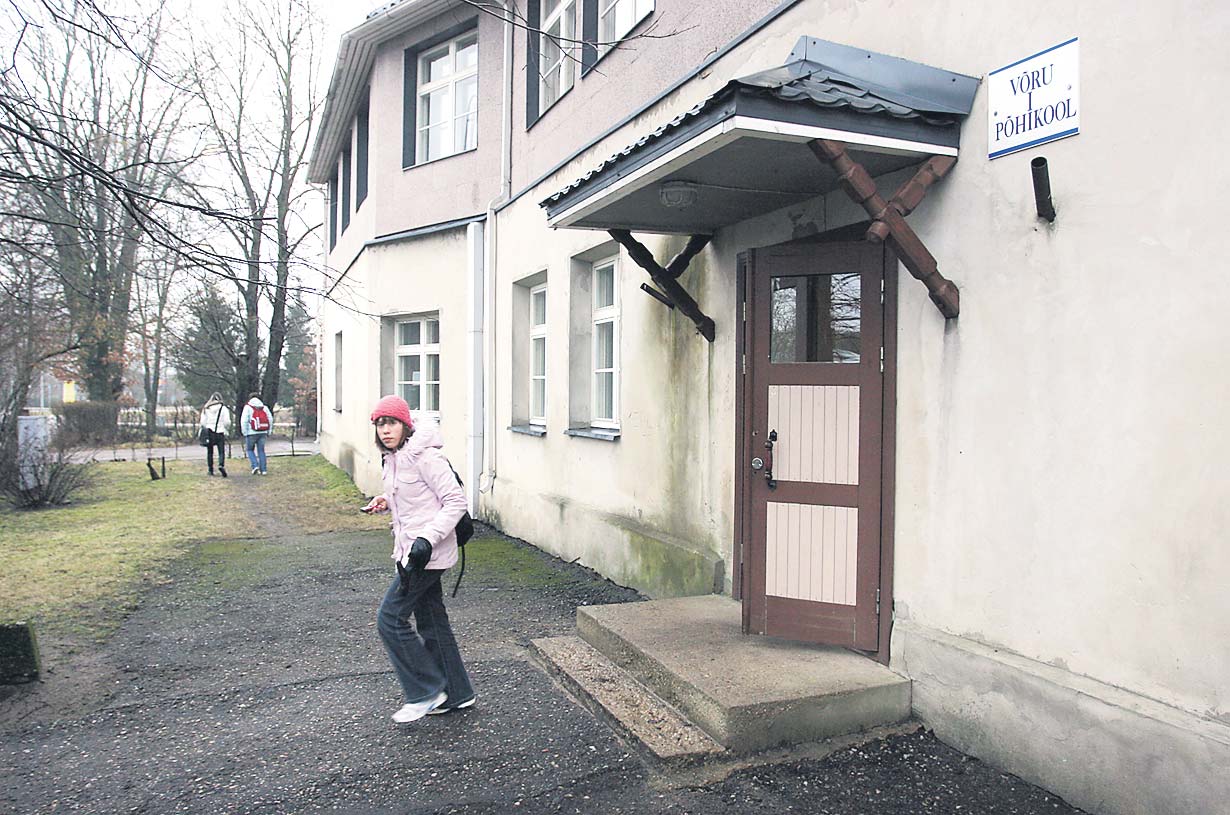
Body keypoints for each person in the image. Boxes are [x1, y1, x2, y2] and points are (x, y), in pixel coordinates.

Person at [361, 394, 475, 723]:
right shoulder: (394, 458)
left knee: (390, 619)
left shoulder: (426, 458)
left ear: (406, 426)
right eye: (380, 424)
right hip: (408, 550)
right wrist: (385, 500)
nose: (385, 430)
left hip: (426, 555)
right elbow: (416, 498)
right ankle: (458, 693)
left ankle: (425, 690)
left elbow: (456, 502)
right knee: (432, 623)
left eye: (391, 423)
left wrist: (427, 538)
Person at [198, 393, 231, 477]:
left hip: (209, 432)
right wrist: (226, 428)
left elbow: (202, 422)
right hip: (220, 431)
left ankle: (210, 469)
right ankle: (221, 465)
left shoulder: (206, 408)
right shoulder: (223, 409)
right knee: (221, 451)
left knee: (210, 452)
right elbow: (227, 422)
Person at [240, 392, 272, 475]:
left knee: (250, 450)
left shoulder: (248, 407)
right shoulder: (264, 407)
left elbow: (244, 420)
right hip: (263, 431)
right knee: (261, 451)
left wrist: (244, 432)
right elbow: (270, 419)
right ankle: (264, 470)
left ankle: (255, 466)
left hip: (251, 432)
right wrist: (269, 431)